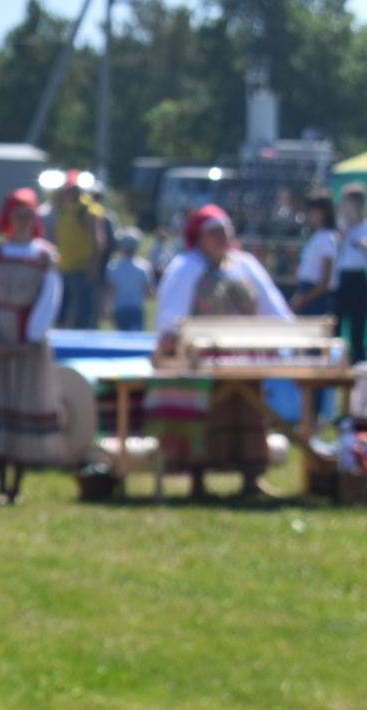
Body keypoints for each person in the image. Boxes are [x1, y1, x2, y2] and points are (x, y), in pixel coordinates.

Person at [152, 204, 294, 498]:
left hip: (245, 357)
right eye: (214, 232)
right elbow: (171, 316)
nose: (222, 238)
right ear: (200, 236)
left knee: (250, 414)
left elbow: (272, 306)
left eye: (225, 232)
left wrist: (288, 333)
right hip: (200, 360)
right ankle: (198, 480)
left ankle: (251, 477)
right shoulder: (186, 267)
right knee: (206, 416)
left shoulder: (244, 265)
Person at [0, 188, 64, 506]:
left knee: (26, 403)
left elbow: (49, 299)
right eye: (18, 215)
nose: (23, 221)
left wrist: (31, 336)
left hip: (28, 340)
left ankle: (17, 485)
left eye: (28, 215)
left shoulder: (44, 257)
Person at [50, 177, 106, 330]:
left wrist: (93, 267)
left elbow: (98, 241)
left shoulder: (87, 210)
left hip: (82, 269)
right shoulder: (64, 209)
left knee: (83, 316)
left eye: (73, 189)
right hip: (64, 268)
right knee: (60, 313)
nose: (69, 192)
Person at [290, 193, 340, 321]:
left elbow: (325, 281)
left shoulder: (326, 238)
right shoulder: (317, 236)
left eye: (312, 210)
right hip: (309, 294)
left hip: (317, 300)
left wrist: (303, 300)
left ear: (322, 213)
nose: (309, 214)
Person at [337, 185, 367, 363]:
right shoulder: (339, 226)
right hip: (340, 279)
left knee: (357, 326)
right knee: (336, 325)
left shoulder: (364, 226)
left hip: (357, 278)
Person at [104, 232, 154, 331]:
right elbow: (149, 291)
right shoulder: (143, 266)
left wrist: (105, 309)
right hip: (136, 309)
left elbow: (109, 290)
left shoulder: (113, 266)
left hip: (120, 308)